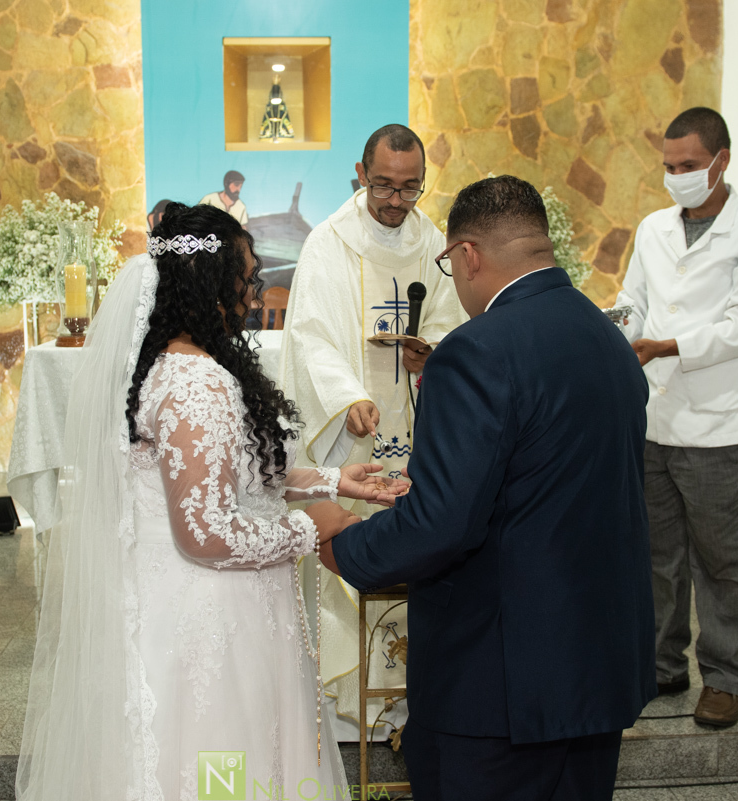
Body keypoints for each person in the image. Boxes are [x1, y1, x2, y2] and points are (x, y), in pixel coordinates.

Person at [16, 203, 408, 798]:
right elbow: (205, 532)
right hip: (208, 615)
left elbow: (231, 473)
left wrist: (334, 482)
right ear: (211, 284)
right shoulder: (195, 383)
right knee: (220, 765)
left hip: (209, 599)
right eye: (245, 278)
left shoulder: (178, 364)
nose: (254, 293)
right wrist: (311, 529)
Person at [323, 175, 656, 801]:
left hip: (499, 681)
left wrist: (342, 545)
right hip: (597, 664)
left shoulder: (475, 351)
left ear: (467, 254)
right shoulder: (608, 339)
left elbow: (443, 524)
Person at [279, 123, 466, 735]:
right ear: (361, 175)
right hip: (354, 432)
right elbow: (311, 336)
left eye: (410, 188)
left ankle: (412, 695)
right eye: (383, 185)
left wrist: (430, 349)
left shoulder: (432, 241)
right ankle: (349, 701)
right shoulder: (329, 242)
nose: (395, 200)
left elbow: (453, 316)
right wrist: (347, 397)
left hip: (415, 428)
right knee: (353, 545)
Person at [614, 107, 738, 728]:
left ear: (721, 160)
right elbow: (633, 301)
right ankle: (664, 664)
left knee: (720, 562)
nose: (677, 177)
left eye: (688, 165)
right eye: (669, 166)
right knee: (658, 557)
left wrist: (669, 346)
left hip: (718, 426)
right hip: (654, 421)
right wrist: (615, 330)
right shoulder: (653, 229)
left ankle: (724, 678)